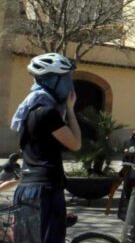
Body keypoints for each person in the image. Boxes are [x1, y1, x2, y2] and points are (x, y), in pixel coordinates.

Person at [11, 53, 81, 243]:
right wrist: (71, 111)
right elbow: (75, 143)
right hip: (45, 191)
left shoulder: (29, 110)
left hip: (27, 189)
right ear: (52, 81)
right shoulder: (47, 112)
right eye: (65, 79)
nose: (69, 84)